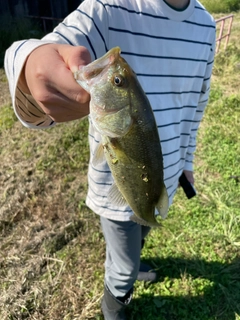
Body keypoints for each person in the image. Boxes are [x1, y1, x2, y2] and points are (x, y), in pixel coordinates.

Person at [5, 0, 216, 319]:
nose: (114, 71)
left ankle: (131, 261)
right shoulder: (106, 8)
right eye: (119, 81)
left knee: (143, 227)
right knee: (123, 265)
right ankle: (116, 302)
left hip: (165, 176)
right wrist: (31, 61)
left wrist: (186, 162)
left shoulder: (206, 26)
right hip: (113, 191)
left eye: (117, 80)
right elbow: (46, 51)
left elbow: (197, 105)